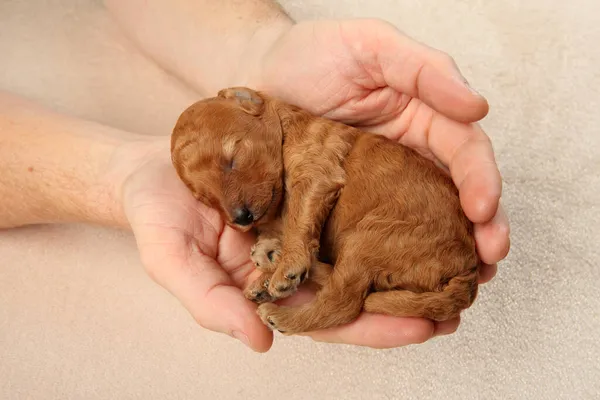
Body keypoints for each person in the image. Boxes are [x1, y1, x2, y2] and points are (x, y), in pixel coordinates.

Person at [0, 0, 510, 352]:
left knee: (366, 248)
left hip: (420, 237)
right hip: (386, 248)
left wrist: (259, 47)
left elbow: (320, 183)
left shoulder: (311, 138)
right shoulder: (259, 181)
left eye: (231, 161)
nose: (236, 206)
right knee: (349, 250)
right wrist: (122, 177)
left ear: (251, 104)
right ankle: (330, 280)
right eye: (212, 197)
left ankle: (326, 306)